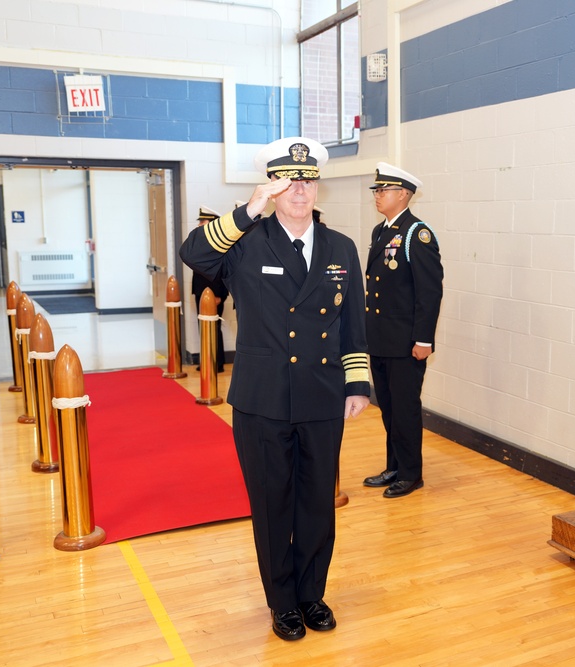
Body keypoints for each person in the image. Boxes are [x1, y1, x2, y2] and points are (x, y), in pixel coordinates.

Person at [179, 137, 370, 641]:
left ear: (316, 188)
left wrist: (356, 384)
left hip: (323, 395)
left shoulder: (341, 247)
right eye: (288, 182)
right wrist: (248, 210)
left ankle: (312, 594)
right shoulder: (244, 241)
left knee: (315, 503)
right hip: (263, 398)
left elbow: (353, 323)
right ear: (272, 186)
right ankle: (282, 601)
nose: (299, 191)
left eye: (306, 182)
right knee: (271, 503)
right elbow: (192, 253)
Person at [362, 163, 443, 498]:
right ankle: (394, 465)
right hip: (382, 339)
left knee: (405, 408)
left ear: (404, 195)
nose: (379, 196)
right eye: (377, 191)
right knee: (389, 407)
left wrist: (423, 339)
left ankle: (411, 474)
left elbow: (430, 290)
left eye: (385, 191)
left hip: (407, 343)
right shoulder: (381, 231)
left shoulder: (415, 233)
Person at [190, 206, 228, 372]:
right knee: (204, 327)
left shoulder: (219, 242)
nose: (199, 223)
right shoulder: (202, 240)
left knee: (213, 327)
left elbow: (220, 271)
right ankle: (207, 360)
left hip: (213, 293)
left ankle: (216, 363)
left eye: (203, 221)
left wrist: (219, 294)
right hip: (201, 292)